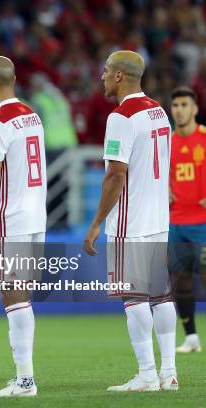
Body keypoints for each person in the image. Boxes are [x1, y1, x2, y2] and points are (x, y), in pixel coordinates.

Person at [84, 51, 177, 392]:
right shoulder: (159, 111)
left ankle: (147, 375)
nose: (103, 77)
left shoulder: (121, 116)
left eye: (106, 71)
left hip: (130, 221)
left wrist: (96, 223)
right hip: (158, 218)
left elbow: (115, 177)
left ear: (120, 76)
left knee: (134, 297)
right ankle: (169, 373)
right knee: (161, 295)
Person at [0, 56, 46, 397]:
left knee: (12, 296)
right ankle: (24, 377)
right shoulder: (32, 115)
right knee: (22, 296)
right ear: (12, 78)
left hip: (11, 218)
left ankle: (25, 380)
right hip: (37, 218)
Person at [168, 86, 206, 353]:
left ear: (194, 109)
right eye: (176, 105)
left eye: (184, 105)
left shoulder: (204, 139)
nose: (179, 110)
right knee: (180, 282)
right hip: (175, 222)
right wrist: (163, 190)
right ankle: (191, 337)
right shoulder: (166, 142)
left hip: (202, 223)